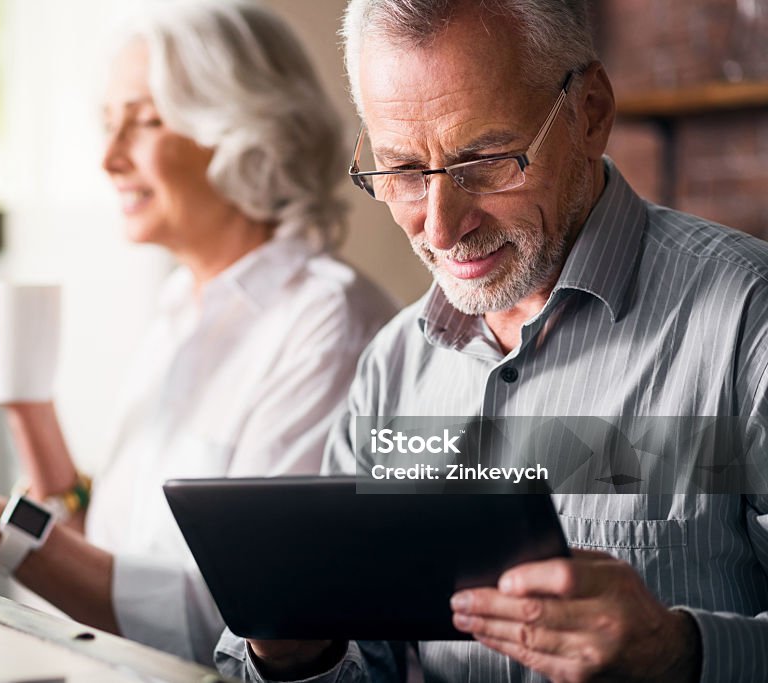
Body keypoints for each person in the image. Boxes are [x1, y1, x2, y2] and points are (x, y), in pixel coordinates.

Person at [0, 0, 396, 666]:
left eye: (145, 121)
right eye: (108, 124)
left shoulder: (328, 326)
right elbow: (103, 552)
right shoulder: (183, 304)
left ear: (247, 130)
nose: (110, 158)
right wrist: (26, 404)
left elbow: (239, 623)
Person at [213, 1, 768, 681]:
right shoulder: (393, 368)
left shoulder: (748, 321)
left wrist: (681, 650)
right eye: (404, 170)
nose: (441, 228)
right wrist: (298, 654)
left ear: (590, 112)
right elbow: (371, 661)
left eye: (485, 161)